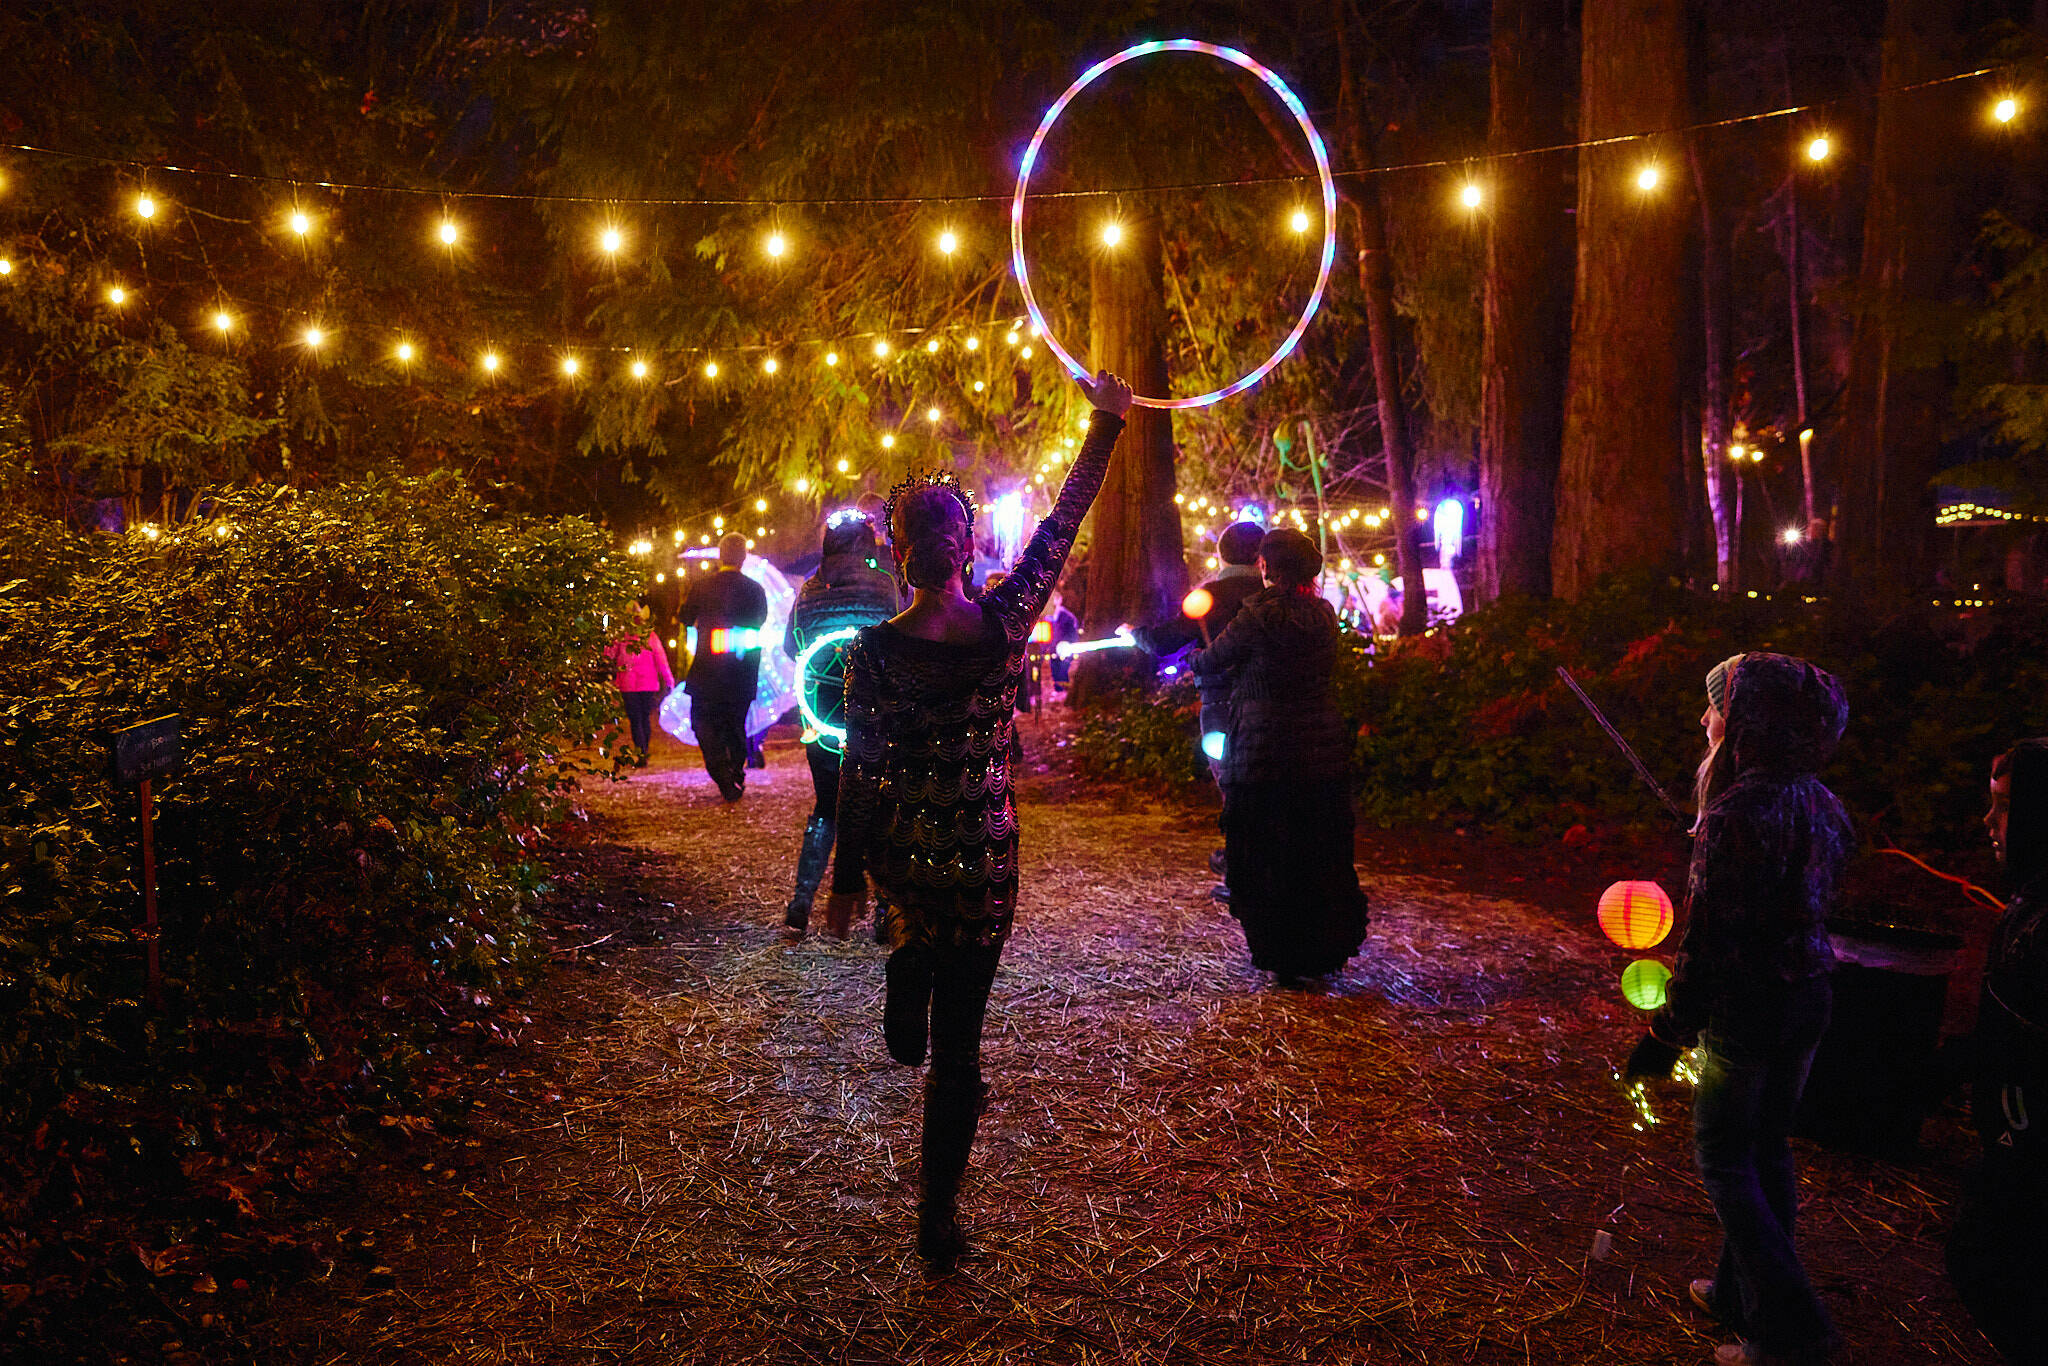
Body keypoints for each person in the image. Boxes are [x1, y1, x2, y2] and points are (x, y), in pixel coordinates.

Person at [824, 368, 1134, 1274]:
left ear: (896, 549)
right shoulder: (1007, 624)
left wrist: (850, 878)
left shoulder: (873, 652)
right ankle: (938, 1222)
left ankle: (908, 955)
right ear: (966, 548)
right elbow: (1062, 527)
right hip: (982, 855)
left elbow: (862, 768)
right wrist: (1105, 424)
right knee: (959, 1050)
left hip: (907, 859)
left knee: (922, 942)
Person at [1626, 653, 1854, 1366]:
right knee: (1766, 1148)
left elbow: (1710, 941)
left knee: (1724, 1158)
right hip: (1809, 997)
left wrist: (1667, 1030)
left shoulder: (1737, 815)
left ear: (1751, 720)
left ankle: (1794, 1332)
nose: (1704, 718)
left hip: (1748, 1009)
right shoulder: (1821, 803)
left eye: (1717, 705)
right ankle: (1738, 1295)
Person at [1190, 528, 1369, 983]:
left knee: (1269, 849)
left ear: (1267, 567)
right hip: (1321, 748)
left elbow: (1213, 661)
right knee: (1315, 850)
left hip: (1264, 748)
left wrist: (1197, 658)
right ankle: (1319, 951)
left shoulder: (1258, 615)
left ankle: (1283, 954)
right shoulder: (1325, 615)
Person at [1947, 739, 2048, 1365]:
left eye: (2005, 807)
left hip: (2031, 1134)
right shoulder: (2031, 902)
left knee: (1989, 1258)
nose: (1989, 822)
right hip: (2014, 1127)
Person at [779, 511, 899, 939]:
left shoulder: (810, 589)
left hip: (823, 718)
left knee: (827, 806)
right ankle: (886, 912)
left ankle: (800, 904)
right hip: (877, 718)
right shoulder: (886, 585)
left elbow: (792, 647)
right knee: (882, 806)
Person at [1136, 520, 1267, 896]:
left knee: (1231, 783)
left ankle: (1240, 871)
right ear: (1261, 555)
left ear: (1221, 554)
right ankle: (1262, 864)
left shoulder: (1210, 597)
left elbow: (1165, 640)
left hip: (1221, 703)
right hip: (1268, 704)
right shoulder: (1273, 593)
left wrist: (1134, 634)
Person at [678, 533, 768, 802]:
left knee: (703, 722)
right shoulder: (755, 589)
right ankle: (736, 772)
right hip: (743, 669)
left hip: (708, 670)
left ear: (720, 556)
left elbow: (684, 617)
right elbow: (761, 620)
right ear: (743, 558)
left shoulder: (703, 586)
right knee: (736, 723)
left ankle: (721, 771)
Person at [604, 596, 675, 766]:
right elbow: (661, 659)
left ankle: (642, 753)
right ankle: (643, 752)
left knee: (637, 720)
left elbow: (609, 654)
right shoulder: (649, 636)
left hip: (629, 685)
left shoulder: (622, 637)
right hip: (647, 684)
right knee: (643, 719)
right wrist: (669, 680)